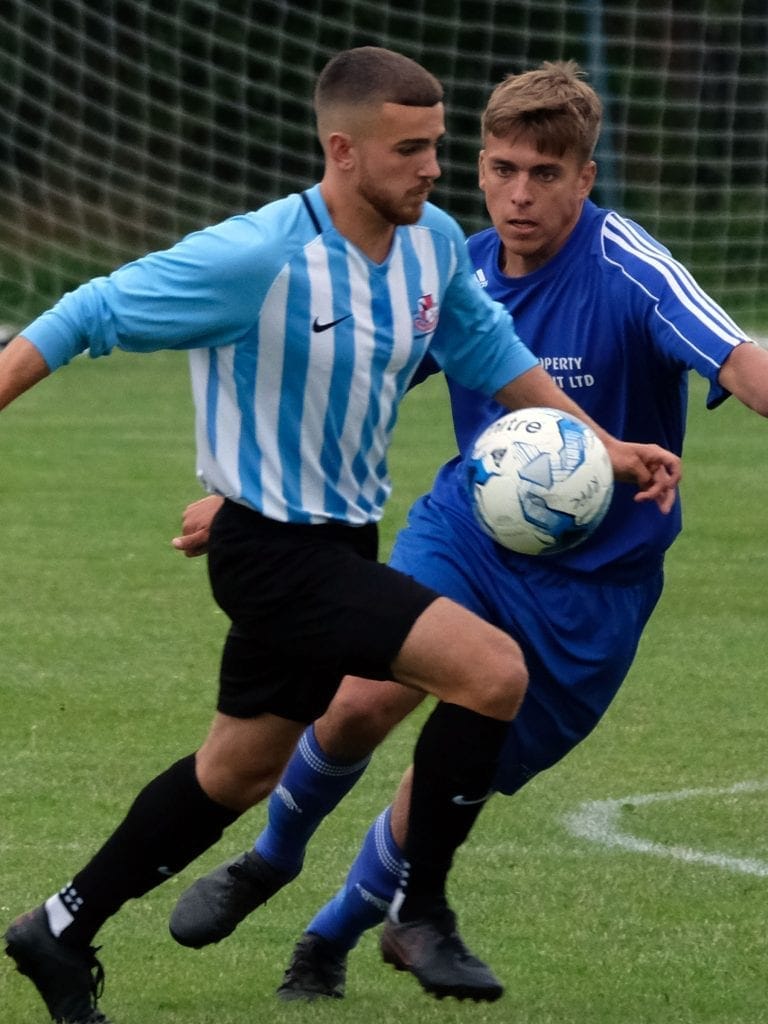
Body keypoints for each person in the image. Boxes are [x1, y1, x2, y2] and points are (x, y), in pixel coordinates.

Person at [0, 49, 679, 1024]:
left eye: (438, 146)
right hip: (271, 552)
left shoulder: (434, 243)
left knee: (236, 771)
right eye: (410, 149)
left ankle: (59, 927)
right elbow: (86, 313)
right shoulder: (259, 255)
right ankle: (420, 910)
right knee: (491, 671)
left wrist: (605, 446)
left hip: (341, 543)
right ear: (343, 151)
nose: (433, 167)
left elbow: (490, 350)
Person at [164, 59, 768, 1005]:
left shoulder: (628, 268)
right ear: (478, 167)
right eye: (499, 169)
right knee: (358, 701)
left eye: (544, 175)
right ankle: (268, 860)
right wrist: (248, 503)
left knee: (442, 791)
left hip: (594, 591)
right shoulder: (454, 268)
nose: (517, 195)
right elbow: (352, 388)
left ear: (585, 179)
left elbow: (740, 359)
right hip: (468, 533)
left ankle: (329, 939)